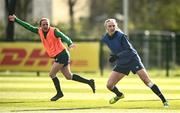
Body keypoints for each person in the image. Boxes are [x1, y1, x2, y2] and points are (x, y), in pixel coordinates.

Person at [8, 14, 95, 101]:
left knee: (52, 74)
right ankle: (89, 82)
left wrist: (70, 43)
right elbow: (28, 26)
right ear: (40, 26)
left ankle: (59, 93)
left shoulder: (54, 31)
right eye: (43, 24)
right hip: (61, 55)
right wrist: (16, 20)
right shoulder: (39, 31)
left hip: (62, 55)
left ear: (49, 24)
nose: (45, 26)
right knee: (69, 76)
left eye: (47, 24)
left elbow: (64, 37)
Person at [101, 18, 168, 107]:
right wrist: (113, 56)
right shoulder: (105, 38)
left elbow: (129, 50)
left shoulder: (121, 36)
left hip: (133, 59)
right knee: (109, 85)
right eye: (110, 26)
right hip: (122, 62)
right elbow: (115, 48)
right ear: (106, 28)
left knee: (147, 81)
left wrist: (117, 56)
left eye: (114, 26)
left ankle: (164, 101)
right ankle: (119, 95)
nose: (112, 27)